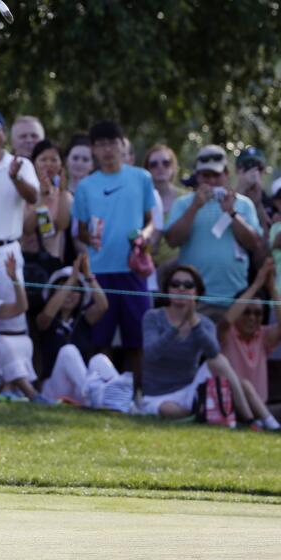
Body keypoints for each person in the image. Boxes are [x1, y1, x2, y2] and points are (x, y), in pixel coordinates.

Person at [72, 121, 155, 385]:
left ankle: (140, 396)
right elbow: (80, 231)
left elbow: (151, 221)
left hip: (133, 271)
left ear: (122, 144)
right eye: (101, 144)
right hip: (99, 273)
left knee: (138, 339)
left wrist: (144, 235)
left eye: (112, 143)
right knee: (100, 338)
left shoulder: (142, 178)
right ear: (94, 149)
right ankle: (103, 392)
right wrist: (90, 237)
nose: (108, 149)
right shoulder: (86, 186)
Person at [139, 265, 268, 427]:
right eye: (175, 284)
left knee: (218, 360)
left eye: (188, 285)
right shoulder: (153, 317)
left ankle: (250, 421)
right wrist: (176, 328)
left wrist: (193, 322)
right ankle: (207, 411)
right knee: (168, 411)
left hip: (190, 390)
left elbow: (213, 352)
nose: (181, 288)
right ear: (167, 290)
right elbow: (151, 353)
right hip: (158, 394)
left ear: (197, 292)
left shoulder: (204, 323)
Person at [165, 145, 261, 321]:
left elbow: (254, 243)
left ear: (226, 174)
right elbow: (172, 240)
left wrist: (231, 213)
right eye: (205, 176)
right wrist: (194, 207)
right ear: (197, 177)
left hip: (235, 299)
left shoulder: (243, 204)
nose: (211, 181)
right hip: (195, 299)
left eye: (216, 175)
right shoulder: (183, 203)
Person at [0, 107, 38, 340]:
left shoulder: (20, 164)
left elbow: (33, 197)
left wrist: (16, 178)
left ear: (4, 134)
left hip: (7, 252)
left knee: (12, 324)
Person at [214, 258, 281, 430]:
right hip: (232, 404)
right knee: (243, 384)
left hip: (262, 407)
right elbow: (227, 321)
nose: (252, 318)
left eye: (258, 314)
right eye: (246, 312)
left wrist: (272, 288)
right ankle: (272, 427)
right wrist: (256, 284)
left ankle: (264, 421)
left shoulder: (263, 335)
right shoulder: (228, 334)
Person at [37, 253, 110, 403]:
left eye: (75, 289)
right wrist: (72, 279)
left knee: (100, 360)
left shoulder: (83, 319)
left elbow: (103, 305)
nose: (70, 293)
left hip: (80, 389)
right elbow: (46, 315)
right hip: (53, 388)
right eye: (64, 287)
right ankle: (96, 396)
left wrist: (88, 275)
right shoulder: (46, 319)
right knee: (68, 351)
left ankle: (120, 400)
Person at [0, 253, 51, 403]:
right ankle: (31, 393)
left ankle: (9, 390)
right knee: (2, 344)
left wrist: (14, 279)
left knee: (13, 343)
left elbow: (21, 307)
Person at [21, 139, 73, 261]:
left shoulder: (64, 196)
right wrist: (43, 198)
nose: (48, 164)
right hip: (26, 259)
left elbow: (61, 225)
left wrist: (62, 190)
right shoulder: (25, 192)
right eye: (43, 159)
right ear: (34, 163)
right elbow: (27, 229)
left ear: (61, 165)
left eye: (54, 160)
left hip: (52, 260)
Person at [143, 144, 187, 268]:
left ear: (173, 167)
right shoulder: (140, 200)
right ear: (147, 170)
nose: (160, 167)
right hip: (146, 267)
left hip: (179, 270)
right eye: (154, 164)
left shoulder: (187, 199)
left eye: (166, 163)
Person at [235, 146, 271, 232]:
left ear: (264, 172)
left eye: (259, 168)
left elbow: (270, 239)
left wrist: (258, 204)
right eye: (247, 168)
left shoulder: (273, 203)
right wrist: (241, 193)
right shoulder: (225, 198)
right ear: (237, 170)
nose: (254, 173)